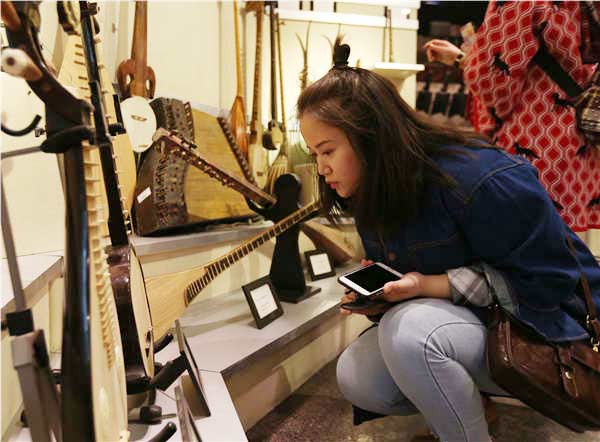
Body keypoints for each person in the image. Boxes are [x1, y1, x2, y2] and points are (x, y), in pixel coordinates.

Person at [297, 39, 600, 442]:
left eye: (327, 151)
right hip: (476, 325)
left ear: (369, 137)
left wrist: (428, 286)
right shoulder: (376, 192)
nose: (323, 169)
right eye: (314, 154)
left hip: (551, 326)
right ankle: (474, 409)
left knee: (410, 334)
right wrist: (383, 295)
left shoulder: (480, 179)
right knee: (358, 376)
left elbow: (550, 284)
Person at [423, 1, 600, 233]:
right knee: (569, 252)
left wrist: (469, 62)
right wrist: (462, 58)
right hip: (580, 145)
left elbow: (493, 84)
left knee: (523, 245)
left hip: (533, 143)